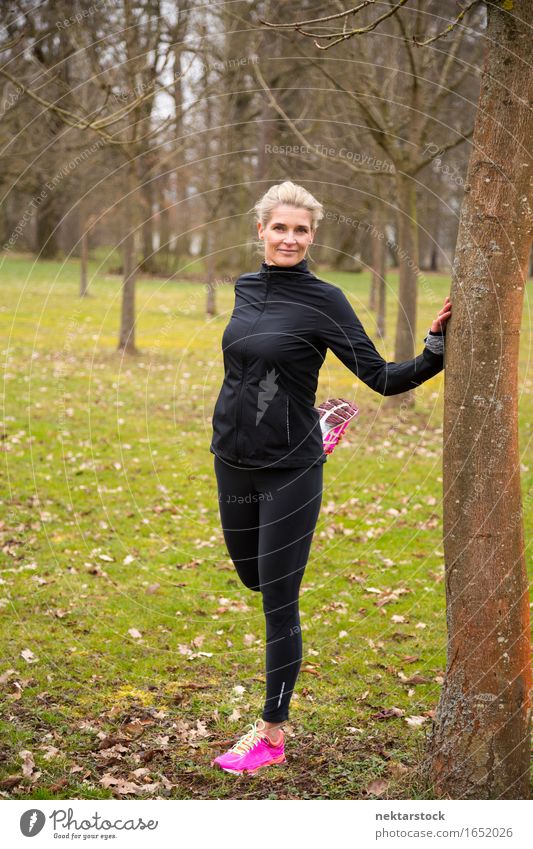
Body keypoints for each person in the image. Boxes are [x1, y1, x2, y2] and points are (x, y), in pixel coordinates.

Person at [209, 181, 452, 775]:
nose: (289, 238)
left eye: (301, 230)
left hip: (291, 469)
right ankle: (320, 424)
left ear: (313, 236)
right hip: (230, 458)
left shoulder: (325, 300)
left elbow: (384, 378)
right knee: (250, 577)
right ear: (260, 231)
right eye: (279, 227)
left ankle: (270, 732)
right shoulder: (244, 288)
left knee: (278, 600)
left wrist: (436, 348)